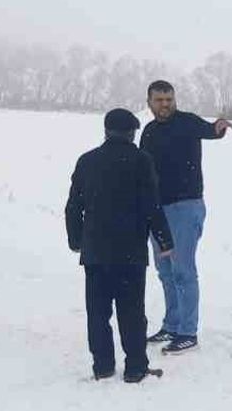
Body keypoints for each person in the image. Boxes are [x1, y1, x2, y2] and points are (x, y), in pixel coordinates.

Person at [65, 108, 175, 382]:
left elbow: (73, 206)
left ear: (106, 130)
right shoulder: (141, 160)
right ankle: (135, 367)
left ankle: (102, 365)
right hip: (130, 251)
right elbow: (152, 205)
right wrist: (164, 240)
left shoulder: (87, 161)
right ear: (132, 132)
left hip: (95, 250)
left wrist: (76, 240)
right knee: (132, 311)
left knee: (98, 312)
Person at [139, 80, 232, 354]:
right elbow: (144, 169)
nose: (165, 104)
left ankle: (188, 332)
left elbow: (210, 131)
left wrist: (219, 128)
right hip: (158, 210)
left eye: (169, 99)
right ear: (149, 103)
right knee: (165, 271)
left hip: (185, 206)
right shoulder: (149, 131)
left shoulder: (187, 122)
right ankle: (172, 324)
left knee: (183, 270)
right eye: (159, 100)